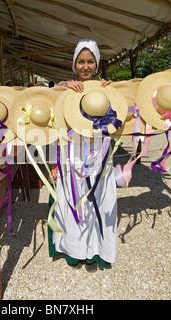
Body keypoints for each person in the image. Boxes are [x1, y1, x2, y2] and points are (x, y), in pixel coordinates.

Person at [48, 39, 117, 269]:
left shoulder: (106, 89)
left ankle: (98, 250)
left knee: (98, 197)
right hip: (72, 152)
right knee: (75, 200)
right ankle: (75, 250)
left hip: (99, 153)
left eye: (90, 62)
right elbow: (52, 125)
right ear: (74, 64)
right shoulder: (63, 87)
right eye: (81, 61)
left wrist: (108, 93)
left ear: (97, 65)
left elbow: (119, 120)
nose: (85, 66)